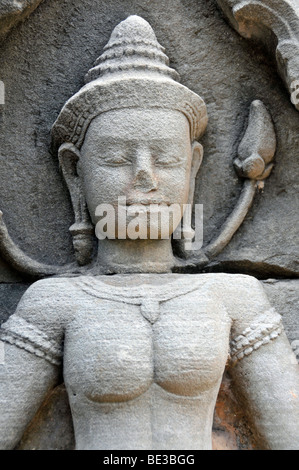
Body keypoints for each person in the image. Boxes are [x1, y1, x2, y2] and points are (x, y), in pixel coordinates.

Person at [0, 16, 298, 450]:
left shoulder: (235, 298)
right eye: (117, 159)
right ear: (74, 173)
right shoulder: (53, 303)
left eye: (167, 159)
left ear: (193, 168)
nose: (145, 177)